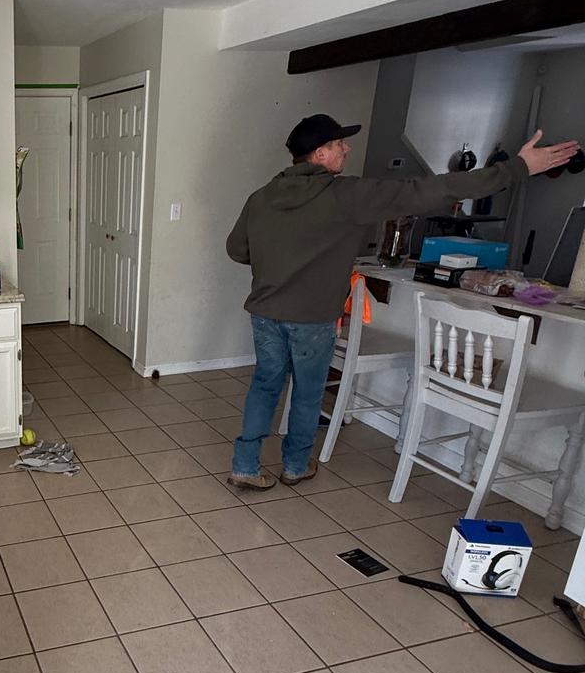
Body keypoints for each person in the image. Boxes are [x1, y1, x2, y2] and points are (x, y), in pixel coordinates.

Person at [224, 113, 581, 491]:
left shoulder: (262, 197)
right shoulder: (346, 195)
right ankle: (295, 465)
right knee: (309, 393)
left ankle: (245, 465)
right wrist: (518, 168)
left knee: (265, 385)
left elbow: (236, 250)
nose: (347, 148)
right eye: (339, 143)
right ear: (320, 153)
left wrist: (277, 260)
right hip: (312, 319)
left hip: (264, 313)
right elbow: (431, 190)